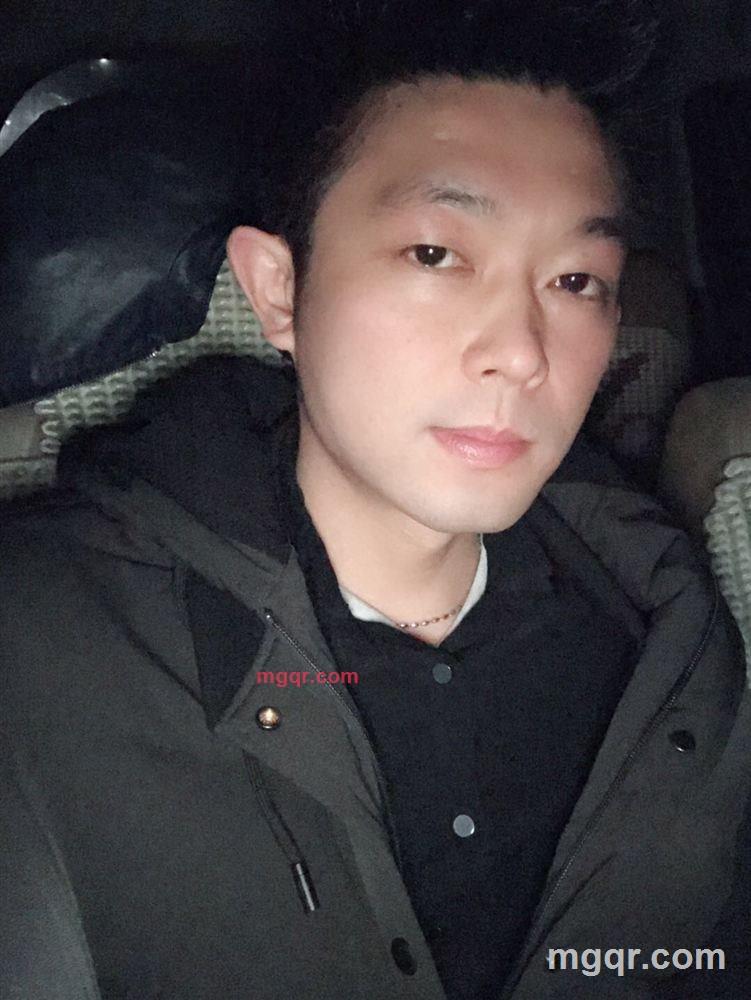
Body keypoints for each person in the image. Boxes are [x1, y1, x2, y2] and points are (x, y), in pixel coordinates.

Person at [1, 2, 749, 998]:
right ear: (279, 291)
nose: (522, 353)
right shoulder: (41, 639)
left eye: (575, 280)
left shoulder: (675, 637)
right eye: (435, 255)